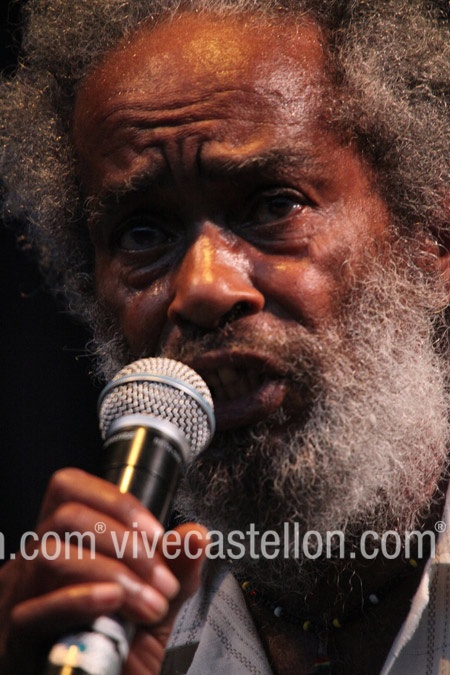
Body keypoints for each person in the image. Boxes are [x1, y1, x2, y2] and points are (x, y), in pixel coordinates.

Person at [1, 0, 450, 672]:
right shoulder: (94, 636)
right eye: (143, 234)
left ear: (432, 234)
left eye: (273, 204)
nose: (203, 288)